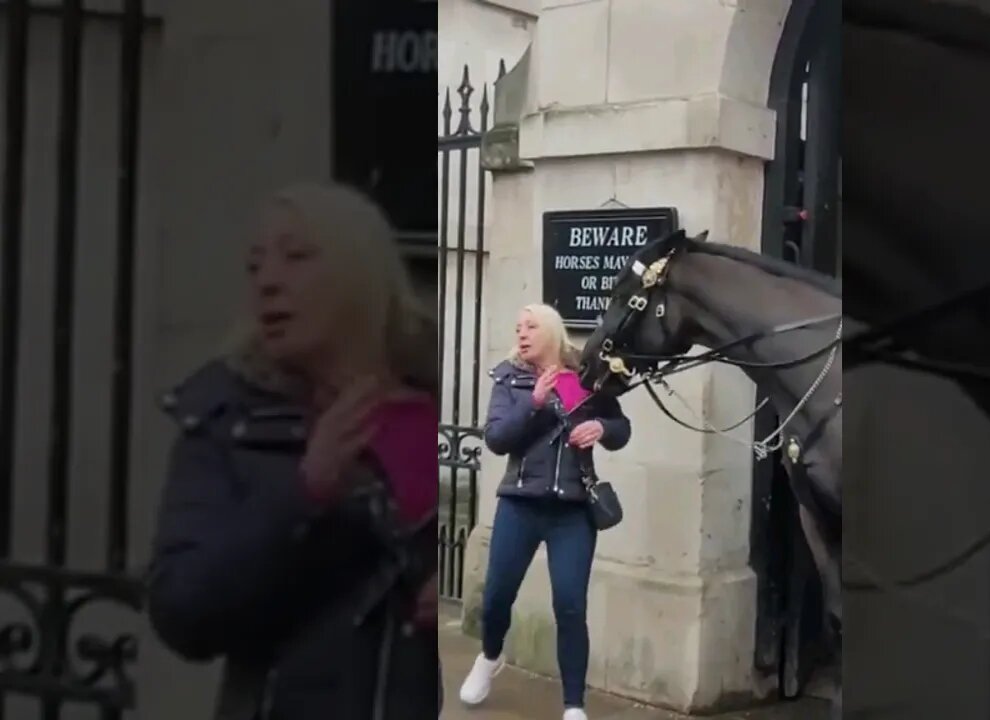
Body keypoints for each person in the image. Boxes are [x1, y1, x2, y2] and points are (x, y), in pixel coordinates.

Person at [145, 182, 440, 720]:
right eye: (255, 266)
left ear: (361, 272)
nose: (268, 282)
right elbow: (181, 613)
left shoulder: (457, 413)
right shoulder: (227, 423)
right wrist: (301, 494)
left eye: (297, 257)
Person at [458, 303, 632, 720]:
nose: (521, 333)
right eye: (518, 327)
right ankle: (490, 655)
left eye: (531, 326)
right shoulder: (509, 378)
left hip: (572, 509)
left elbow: (621, 428)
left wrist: (603, 429)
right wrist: (534, 402)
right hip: (519, 503)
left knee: (570, 604)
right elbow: (497, 439)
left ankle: (574, 704)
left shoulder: (588, 378)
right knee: (497, 594)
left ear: (552, 332)